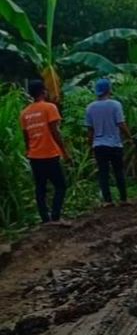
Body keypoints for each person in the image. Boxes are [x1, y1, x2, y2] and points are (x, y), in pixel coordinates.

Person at [19, 80, 69, 226]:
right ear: (43, 91)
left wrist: (29, 151)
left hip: (34, 156)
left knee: (40, 188)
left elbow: (26, 137)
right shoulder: (50, 107)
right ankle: (55, 216)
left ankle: (45, 219)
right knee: (61, 186)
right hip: (50, 154)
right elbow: (55, 131)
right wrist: (65, 152)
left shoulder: (24, 113)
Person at [85, 79, 133, 205]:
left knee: (103, 173)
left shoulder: (90, 108)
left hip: (99, 145)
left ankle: (107, 201)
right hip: (115, 144)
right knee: (119, 171)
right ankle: (123, 199)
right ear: (108, 90)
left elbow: (90, 130)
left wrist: (90, 146)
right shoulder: (115, 105)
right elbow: (121, 124)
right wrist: (130, 137)